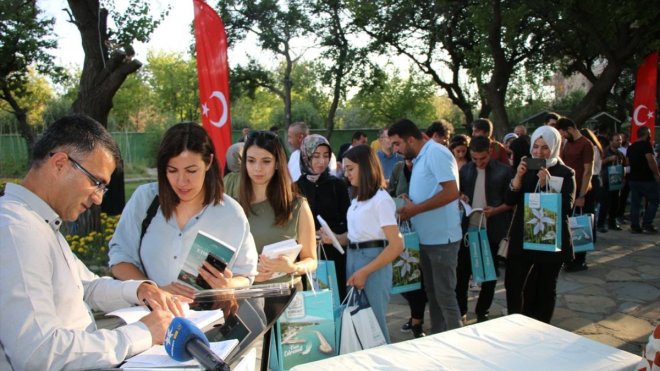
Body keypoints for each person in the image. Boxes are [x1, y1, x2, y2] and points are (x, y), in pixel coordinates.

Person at [0, 114, 175, 370]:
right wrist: (142, 333)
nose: (98, 199)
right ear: (60, 163)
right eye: (96, 183)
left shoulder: (40, 224)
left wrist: (139, 290)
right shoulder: (17, 230)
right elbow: (38, 353)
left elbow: (86, 286)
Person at [109, 123, 258, 299]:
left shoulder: (231, 213)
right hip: (152, 318)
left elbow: (246, 275)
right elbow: (119, 259)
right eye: (172, 171)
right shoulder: (145, 199)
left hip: (209, 321)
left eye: (191, 171)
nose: (182, 181)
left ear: (208, 162)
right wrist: (153, 292)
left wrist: (227, 284)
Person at [389, 118, 463, 334]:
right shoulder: (421, 157)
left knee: (445, 296)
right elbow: (430, 192)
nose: (395, 150)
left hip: (442, 240)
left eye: (397, 144)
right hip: (426, 238)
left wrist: (416, 209)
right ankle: (439, 338)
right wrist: (408, 200)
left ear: (410, 140)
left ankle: (459, 344)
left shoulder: (436, 152)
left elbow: (451, 192)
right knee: (433, 294)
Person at [504, 125, 576, 323]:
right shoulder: (525, 167)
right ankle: (515, 322)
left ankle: (542, 326)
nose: (539, 151)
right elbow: (510, 200)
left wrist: (547, 185)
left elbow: (567, 208)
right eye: (536, 146)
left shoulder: (565, 172)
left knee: (544, 287)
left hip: (550, 238)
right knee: (514, 283)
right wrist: (518, 177)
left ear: (554, 147)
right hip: (523, 236)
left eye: (545, 147)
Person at [341, 144, 404, 343]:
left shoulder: (381, 200)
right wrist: (331, 236)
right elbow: (358, 235)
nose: (347, 174)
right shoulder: (358, 199)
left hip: (373, 263)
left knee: (373, 323)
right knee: (359, 322)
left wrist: (365, 271)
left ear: (365, 167)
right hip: (354, 259)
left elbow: (396, 245)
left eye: (350, 169)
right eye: (345, 169)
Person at [239, 130, 317, 286]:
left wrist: (293, 267)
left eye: (266, 161)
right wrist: (245, 273)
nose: (258, 168)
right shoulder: (233, 207)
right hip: (245, 299)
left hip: (288, 297)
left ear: (277, 164)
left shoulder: (297, 205)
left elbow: (311, 260)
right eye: (251, 161)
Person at [457, 136, 513, 323]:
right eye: (475, 159)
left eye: (483, 158)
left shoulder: (504, 171)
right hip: (469, 229)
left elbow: (512, 201)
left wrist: (496, 210)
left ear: (490, 152)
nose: (479, 163)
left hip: (492, 228)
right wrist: (462, 197)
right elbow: (460, 192)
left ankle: (483, 311)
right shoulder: (465, 170)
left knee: (489, 273)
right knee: (463, 272)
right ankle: (461, 310)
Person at [296, 134, 351, 300]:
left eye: (326, 156)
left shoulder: (338, 185)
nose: (322, 161)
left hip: (334, 252)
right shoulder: (295, 187)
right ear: (306, 157)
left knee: (336, 297)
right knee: (312, 302)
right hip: (306, 256)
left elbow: (348, 220)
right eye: (316, 156)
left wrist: (332, 234)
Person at [387, 157, 428, 338]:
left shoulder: (426, 168)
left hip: (425, 229)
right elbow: (389, 195)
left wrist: (414, 203)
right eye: (406, 159)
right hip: (404, 230)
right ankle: (415, 318)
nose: (409, 162)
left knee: (420, 278)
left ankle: (417, 320)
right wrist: (398, 200)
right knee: (406, 277)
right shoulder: (398, 168)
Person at [556, 117, 594, 272]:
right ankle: (568, 257)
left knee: (580, 226)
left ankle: (579, 260)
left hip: (581, 192)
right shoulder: (566, 143)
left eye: (564, 133)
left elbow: (588, 172)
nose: (563, 136)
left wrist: (582, 195)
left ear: (570, 128)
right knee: (567, 226)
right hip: (567, 190)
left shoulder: (586, 144)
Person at [626, 127, 660, 234]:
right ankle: (647, 223)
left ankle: (635, 225)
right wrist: (657, 174)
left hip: (633, 179)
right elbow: (651, 160)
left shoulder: (631, 147)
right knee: (655, 200)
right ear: (646, 134)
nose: (650, 135)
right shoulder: (646, 145)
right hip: (647, 179)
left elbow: (627, 162)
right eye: (649, 133)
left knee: (635, 203)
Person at [598, 133, 627, 233]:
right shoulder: (604, 152)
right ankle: (600, 224)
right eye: (617, 140)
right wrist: (608, 159)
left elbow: (624, 166)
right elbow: (598, 164)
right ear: (611, 142)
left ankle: (612, 222)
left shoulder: (620, 153)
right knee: (605, 203)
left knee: (615, 203)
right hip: (606, 181)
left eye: (620, 140)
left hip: (616, 181)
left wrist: (623, 178)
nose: (619, 142)